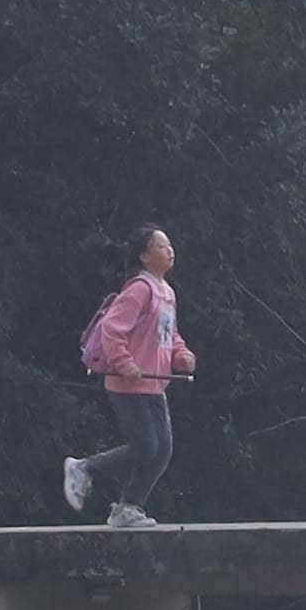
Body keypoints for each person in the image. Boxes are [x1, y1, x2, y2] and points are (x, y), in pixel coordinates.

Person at [65, 225, 192, 526]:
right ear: (145, 257)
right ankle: (84, 468)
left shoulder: (167, 293)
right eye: (162, 246)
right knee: (146, 446)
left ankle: (128, 508)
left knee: (162, 451)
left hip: (154, 384)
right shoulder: (139, 289)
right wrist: (124, 363)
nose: (169, 250)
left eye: (169, 245)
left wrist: (181, 354)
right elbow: (112, 328)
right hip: (127, 384)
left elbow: (168, 333)